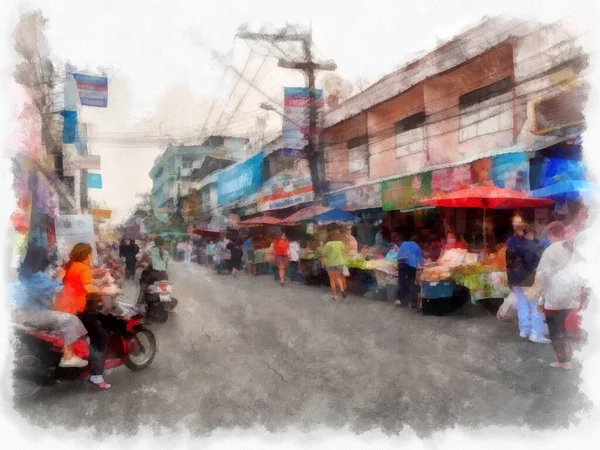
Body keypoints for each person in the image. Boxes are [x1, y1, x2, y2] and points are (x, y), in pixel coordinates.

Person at [10, 245, 88, 368]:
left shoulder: (23, 272)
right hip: (32, 314)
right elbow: (54, 289)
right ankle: (68, 356)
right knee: (70, 319)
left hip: (19, 313)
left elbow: (40, 288)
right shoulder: (36, 275)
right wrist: (60, 276)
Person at [54, 243, 118, 389]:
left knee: (83, 338)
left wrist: (98, 279)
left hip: (63, 307)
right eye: (91, 254)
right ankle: (96, 375)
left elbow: (80, 282)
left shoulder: (70, 266)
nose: (92, 256)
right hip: (77, 310)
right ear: (87, 255)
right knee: (100, 338)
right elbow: (88, 287)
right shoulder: (83, 268)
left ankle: (73, 368)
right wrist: (108, 291)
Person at [529, 222, 584, 369]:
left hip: (555, 296)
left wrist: (538, 293)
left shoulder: (552, 250)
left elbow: (543, 275)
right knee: (562, 327)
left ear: (551, 235)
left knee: (555, 329)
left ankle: (563, 360)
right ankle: (567, 357)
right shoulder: (575, 250)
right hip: (571, 296)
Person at [505, 217, 549, 344]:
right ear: (530, 233)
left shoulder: (511, 244)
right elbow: (533, 266)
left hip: (515, 280)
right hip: (529, 281)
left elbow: (508, 264)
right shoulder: (532, 247)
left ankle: (524, 330)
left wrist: (510, 281)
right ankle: (536, 333)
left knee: (522, 304)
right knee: (536, 306)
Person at [394, 233, 423, 308]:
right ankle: (410, 302)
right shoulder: (418, 247)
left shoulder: (404, 244)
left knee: (401, 281)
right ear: (417, 242)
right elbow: (421, 260)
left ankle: (398, 299)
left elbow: (399, 255)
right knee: (411, 282)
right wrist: (422, 265)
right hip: (411, 266)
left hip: (402, 264)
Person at [139, 236, 170, 303]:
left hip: (154, 274)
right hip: (164, 275)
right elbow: (166, 265)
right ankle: (167, 304)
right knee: (165, 290)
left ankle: (139, 304)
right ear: (163, 243)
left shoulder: (151, 250)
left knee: (143, 287)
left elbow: (145, 259)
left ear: (154, 243)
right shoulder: (166, 252)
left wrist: (143, 263)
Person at [322, 229, 347, 301]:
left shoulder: (328, 244)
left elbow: (324, 254)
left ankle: (335, 295)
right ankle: (342, 290)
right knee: (338, 277)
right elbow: (343, 251)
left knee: (332, 280)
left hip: (331, 264)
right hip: (339, 263)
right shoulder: (340, 243)